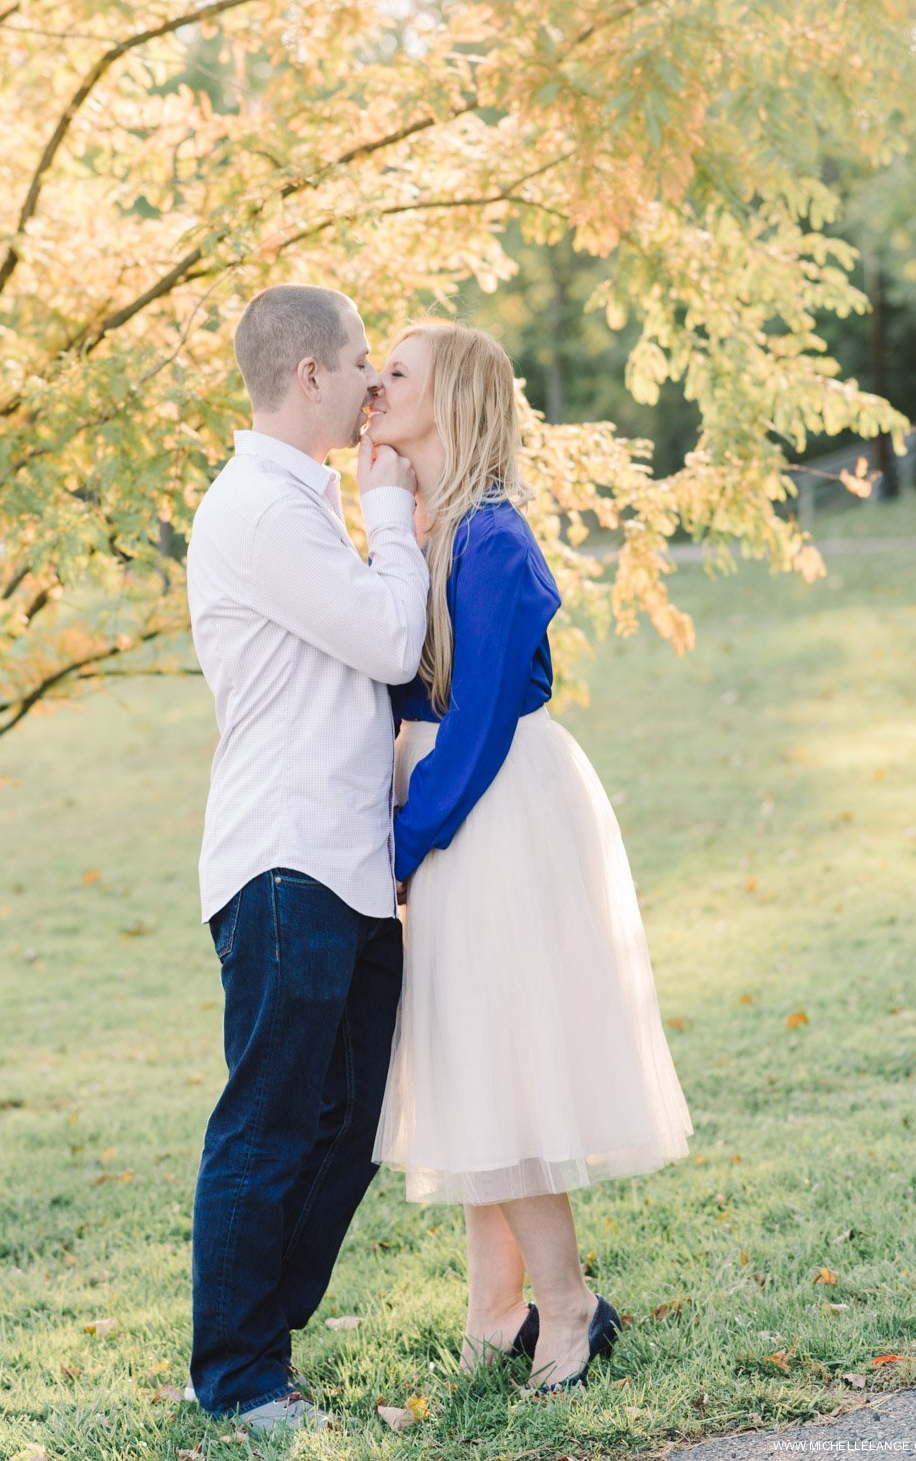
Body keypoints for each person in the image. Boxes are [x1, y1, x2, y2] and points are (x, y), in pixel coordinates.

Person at [367, 321, 693, 1395]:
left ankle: (567, 1307)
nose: (375, 383)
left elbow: (481, 722)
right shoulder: (414, 525)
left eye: (397, 372)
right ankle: (492, 1309)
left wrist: (408, 840)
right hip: (454, 807)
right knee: (469, 1062)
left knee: (493, 1060)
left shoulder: (493, 539)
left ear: (451, 400)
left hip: (491, 810)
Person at [184, 284, 429, 1431]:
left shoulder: (298, 501)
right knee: (273, 1120)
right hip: (285, 859)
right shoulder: (263, 510)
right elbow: (387, 636)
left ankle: (262, 1357)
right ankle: (236, 1382)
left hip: (344, 856)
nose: (377, 384)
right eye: (363, 364)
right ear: (311, 377)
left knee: (351, 1122)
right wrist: (390, 509)